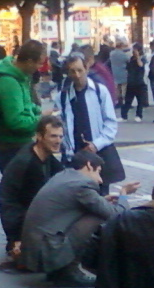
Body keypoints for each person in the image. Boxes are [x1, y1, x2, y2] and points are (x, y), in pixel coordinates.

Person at [20, 150, 138, 287]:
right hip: (46, 251)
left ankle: (60, 270)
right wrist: (123, 195)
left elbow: (70, 206)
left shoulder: (64, 175)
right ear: (88, 165)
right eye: (98, 171)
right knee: (97, 216)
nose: (100, 179)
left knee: (94, 211)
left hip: (33, 248)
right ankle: (69, 272)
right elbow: (117, 214)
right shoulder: (83, 185)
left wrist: (101, 201)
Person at [0, 114, 66, 265]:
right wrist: (16, 239)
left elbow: (65, 177)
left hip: (29, 217)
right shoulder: (29, 163)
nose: (58, 141)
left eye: (60, 136)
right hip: (21, 222)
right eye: (53, 136)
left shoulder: (44, 155)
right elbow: (26, 203)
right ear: (39, 136)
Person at [58, 53, 124, 190]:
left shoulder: (100, 91)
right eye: (72, 71)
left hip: (98, 154)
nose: (77, 75)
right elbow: (62, 126)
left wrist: (95, 145)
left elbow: (111, 124)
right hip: (75, 156)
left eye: (79, 70)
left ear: (86, 69)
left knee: (102, 195)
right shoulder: (62, 97)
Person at [0, 39, 46, 172]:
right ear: (29, 61)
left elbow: (25, 105)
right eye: (39, 63)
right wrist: (40, 120)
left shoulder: (21, 77)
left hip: (20, 143)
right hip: (11, 145)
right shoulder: (9, 83)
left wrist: (38, 110)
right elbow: (15, 121)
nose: (40, 68)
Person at [121, 44, 148, 122]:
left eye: (134, 50)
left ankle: (139, 115)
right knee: (128, 100)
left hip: (140, 82)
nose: (132, 52)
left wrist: (138, 56)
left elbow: (140, 65)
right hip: (131, 81)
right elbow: (127, 68)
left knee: (140, 100)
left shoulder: (142, 58)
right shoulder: (131, 58)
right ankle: (124, 116)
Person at [109, 40, 130, 113]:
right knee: (124, 88)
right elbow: (128, 61)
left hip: (115, 72)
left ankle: (118, 101)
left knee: (117, 88)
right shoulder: (123, 55)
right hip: (123, 72)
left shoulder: (112, 54)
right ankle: (124, 102)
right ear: (121, 46)